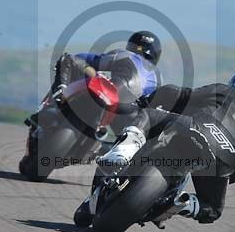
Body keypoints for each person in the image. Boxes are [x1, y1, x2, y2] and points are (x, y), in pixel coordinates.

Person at [74, 69, 235, 226]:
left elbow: (181, 95)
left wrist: (148, 101)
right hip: (224, 160)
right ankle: (183, 203)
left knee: (148, 116)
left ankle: (126, 149)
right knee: (212, 210)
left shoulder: (225, 90)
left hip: (196, 129)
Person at [20, 31, 162, 169]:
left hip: (108, 95)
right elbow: (153, 105)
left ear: (131, 46)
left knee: (67, 59)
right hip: (127, 111)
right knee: (133, 137)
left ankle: (57, 97)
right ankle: (116, 155)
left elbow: (87, 59)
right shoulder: (158, 76)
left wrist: (88, 68)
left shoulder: (124, 55)